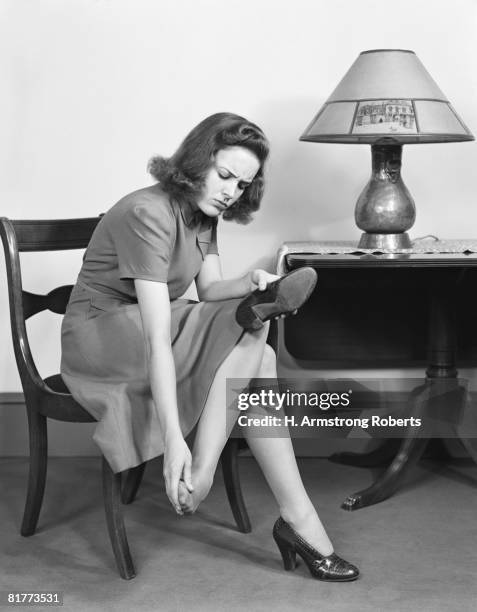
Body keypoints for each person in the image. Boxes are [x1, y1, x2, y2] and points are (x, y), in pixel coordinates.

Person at [60, 112, 359, 582]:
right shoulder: (147, 214)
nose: (230, 191)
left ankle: (295, 518)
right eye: (224, 175)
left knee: (254, 344)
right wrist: (175, 441)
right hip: (101, 333)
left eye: (242, 185)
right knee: (252, 336)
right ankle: (219, 475)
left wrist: (250, 282)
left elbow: (211, 289)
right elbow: (157, 339)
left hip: (152, 323)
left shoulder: (204, 213)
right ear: (198, 162)